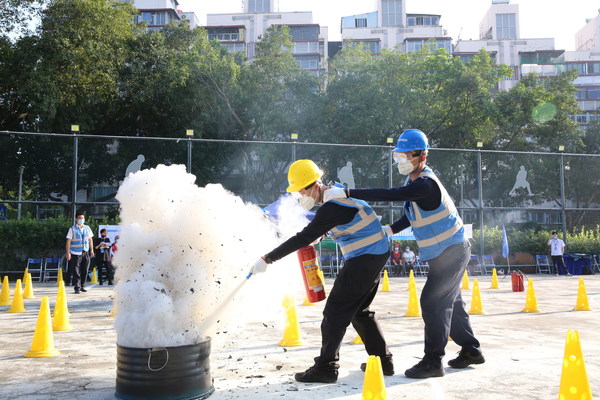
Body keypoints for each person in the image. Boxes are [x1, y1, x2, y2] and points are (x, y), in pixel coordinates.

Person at [325, 129, 484, 379]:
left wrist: (348, 192)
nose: (401, 161)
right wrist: (390, 229)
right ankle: (471, 350)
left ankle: (433, 362)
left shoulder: (426, 184)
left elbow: (393, 195)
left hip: (452, 251)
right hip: (445, 253)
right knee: (451, 302)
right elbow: (411, 213)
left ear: (422, 156)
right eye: (398, 157)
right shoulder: (415, 183)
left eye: (405, 156)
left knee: (433, 303)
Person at [250, 159, 394, 384]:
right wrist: (323, 235)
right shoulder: (337, 195)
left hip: (364, 258)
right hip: (375, 253)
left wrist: (268, 258)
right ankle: (383, 361)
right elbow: (346, 222)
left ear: (313, 186)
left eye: (301, 192)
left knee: (334, 314)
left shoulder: (331, 206)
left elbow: (303, 237)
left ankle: (326, 368)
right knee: (360, 311)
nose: (301, 198)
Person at [66, 212, 94, 294]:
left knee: (85, 270)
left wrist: (91, 250)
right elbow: (68, 241)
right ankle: (77, 287)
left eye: (83, 218)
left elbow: (90, 239)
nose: (81, 220)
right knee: (76, 271)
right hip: (75, 252)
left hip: (85, 251)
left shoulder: (87, 228)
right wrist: (68, 252)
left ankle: (82, 285)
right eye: (80, 218)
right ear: (76, 219)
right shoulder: (72, 229)